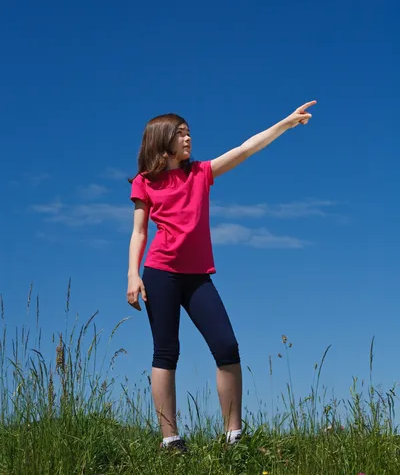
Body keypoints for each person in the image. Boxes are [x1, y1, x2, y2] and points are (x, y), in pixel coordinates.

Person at [127, 101, 316, 452]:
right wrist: (132, 276)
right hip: (160, 272)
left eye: (188, 132)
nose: (188, 138)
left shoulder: (201, 173)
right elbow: (139, 232)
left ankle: (234, 434)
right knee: (166, 352)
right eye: (180, 134)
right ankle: (170, 439)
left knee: (226, 346)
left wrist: (285, 123)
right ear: (162, 140)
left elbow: (246, 148)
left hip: (198, 276)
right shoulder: (145, 183)